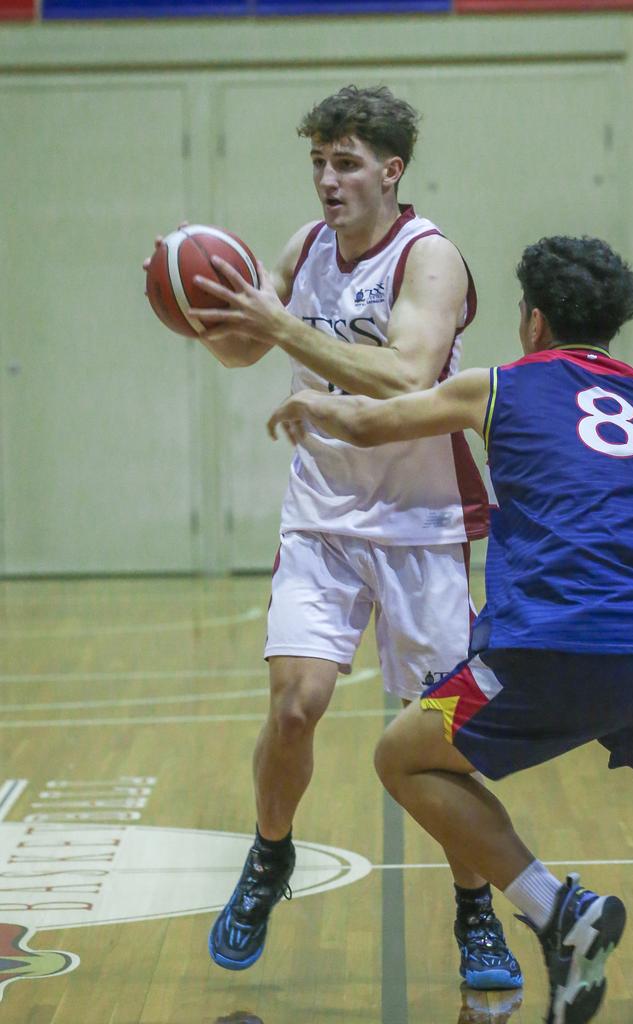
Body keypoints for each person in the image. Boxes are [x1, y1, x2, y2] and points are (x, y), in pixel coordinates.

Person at [267, 235, 633, 1024]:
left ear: (532, 322)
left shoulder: (497, 387)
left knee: (402, 758)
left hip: (551, 648)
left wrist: (313, 404)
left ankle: (558, 910)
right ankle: (562, 914)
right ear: (613, 326)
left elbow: (375, 423)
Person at [162, 85, 522, 987]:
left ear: (391, 170)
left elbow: (406, 374)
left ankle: (476, 909)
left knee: (440, 739)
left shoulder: (429, 258)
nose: (328, 180)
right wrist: (199, 311)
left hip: (420, 525)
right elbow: (249, 348)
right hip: (321, 518)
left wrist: (285, 327)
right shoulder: (304, 247)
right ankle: (270, 855)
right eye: (319, 162)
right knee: (295, 705)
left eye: (347, 163)